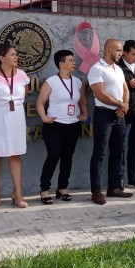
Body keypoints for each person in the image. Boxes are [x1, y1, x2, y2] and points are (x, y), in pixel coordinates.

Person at [0, 44, 30, 208]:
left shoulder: (22, 75)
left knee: (15, 155)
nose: (16, 57)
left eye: (16, 54)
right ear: (2, 58)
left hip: (16, 117)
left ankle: (17, 193)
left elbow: (25, 93)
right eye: (12, 54)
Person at [36, 49, 88, 204]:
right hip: (55, 125)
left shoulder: (78, 82)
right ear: (61, 64)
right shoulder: (51, 81)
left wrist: (84, 114)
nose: (74, 63)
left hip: (73, 124)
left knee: (67, 156)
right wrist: (44, 118)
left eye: (73, 60)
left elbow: (82, 102)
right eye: (70, 60)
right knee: (53, 155)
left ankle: (62, 188)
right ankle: (44, 189)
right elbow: (40, 102)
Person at [87, 38, 132, 205]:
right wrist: (120, 103)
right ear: (108, 50)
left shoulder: (118, 69)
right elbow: (100, 94)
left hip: (119, 115)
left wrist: (124, 105)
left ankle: (114, 187)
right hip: (104, 115)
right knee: (99, 153)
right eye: (118, 50)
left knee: (118, 152)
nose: (120, 53)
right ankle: (96, 191)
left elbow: (125, 89)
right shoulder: (96, 69)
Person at [117, 40, 135, 188]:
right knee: (121, 146)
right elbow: (115, 88)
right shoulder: (118, 67)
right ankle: (119, 179)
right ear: (125, 53)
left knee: (134, 146)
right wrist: (129, 85)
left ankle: (133, 178)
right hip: (124, 112)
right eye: (133, 54)